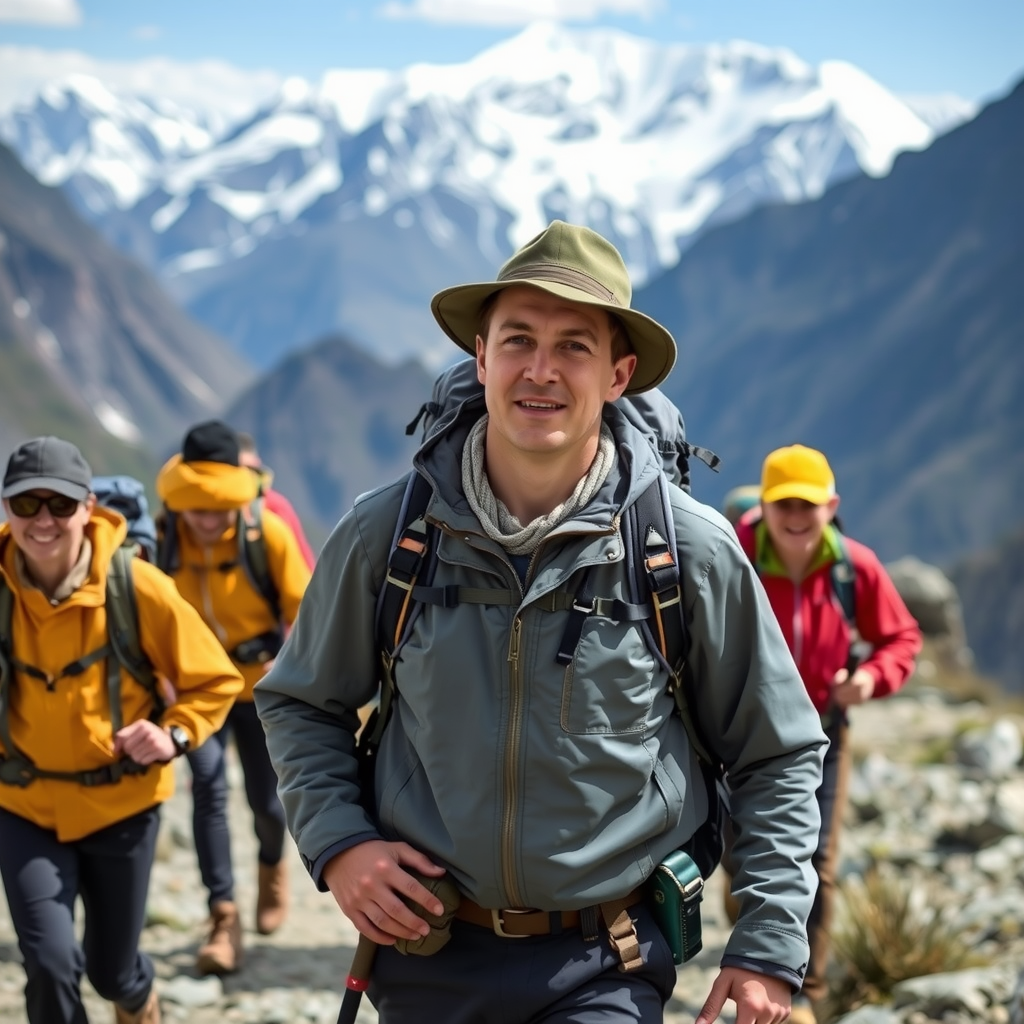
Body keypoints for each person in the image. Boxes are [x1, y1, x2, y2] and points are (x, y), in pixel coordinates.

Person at [255, 221, 828, 1024]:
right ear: (480, 357)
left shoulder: (685, 552)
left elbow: (778, 751)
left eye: (574, 347)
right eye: (518, 339)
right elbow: (299, 701)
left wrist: (767, 944)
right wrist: (341, 845)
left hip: (609, 959)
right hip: (425, 951)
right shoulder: (387, 536)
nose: (541, 370)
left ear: (619, 374)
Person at [0, 436, 243, 1024]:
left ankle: (140, 1000)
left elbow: (215, 680)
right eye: (25, 504)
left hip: (122, 807)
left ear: (88, 506)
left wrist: (173, 736)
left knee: (114, 972)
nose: (43, 520)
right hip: (24, 806)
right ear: (7, 509)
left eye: (58, 505)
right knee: (51, 964)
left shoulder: (136, 587)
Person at [733, 444, 922, 1024]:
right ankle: (749, 942)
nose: (795, 515)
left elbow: (902, 640)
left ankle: (804, 991)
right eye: (784, 503)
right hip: (738, 728)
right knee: (737, 847)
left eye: (807, 505)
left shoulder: (854, 568)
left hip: (822, 734)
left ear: (831, 506)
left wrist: (869, 678)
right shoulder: (734, 553)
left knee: (817, 858)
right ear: (763, 505)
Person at [155, 421, 312, 975]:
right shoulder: (162, 539)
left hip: (258, 689)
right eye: (197, 507)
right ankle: (223, 916)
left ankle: (272, 867)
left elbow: (311, 610)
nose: (206, 519)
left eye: (216, 507)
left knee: (268, 805)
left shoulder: (264, 535)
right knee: (208, 791)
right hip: (196, 695)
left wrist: (290, 662)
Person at [236, 431, 317, 570]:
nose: (245, 476)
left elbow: (304, 566)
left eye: (250, 470)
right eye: (239, 470)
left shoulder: (275, 506)